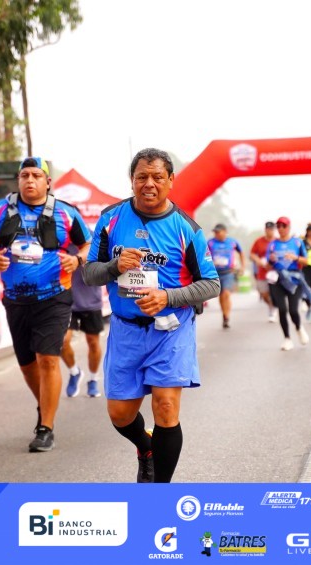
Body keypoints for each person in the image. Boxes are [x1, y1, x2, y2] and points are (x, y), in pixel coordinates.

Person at [83, 148, 220, 483]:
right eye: (141, 176)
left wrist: (167, 297)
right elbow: (90, 274)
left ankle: (158, 493)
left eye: (158, 177)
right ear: (131, 180)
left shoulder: (186, 228)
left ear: (171, 180)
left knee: (166, 407)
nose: (149, 183)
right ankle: (146, 449)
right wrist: (114, 266)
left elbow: (211, 284)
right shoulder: (111, 219)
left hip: (171, 329)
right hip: (126, 330)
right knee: (120, 414)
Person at [0, 156, 91, 453]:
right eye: (25, 175)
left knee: (48, 359)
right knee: (26, 365)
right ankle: (44, 405)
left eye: (36, 175)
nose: (30, 180)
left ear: (47, 182)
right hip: (16, 300)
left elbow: (88, 245)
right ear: (18, 180)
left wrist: (77, 260)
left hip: (54, 297)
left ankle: (45, 427)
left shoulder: (66, 213)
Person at [61, 249, 103, 398]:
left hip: (91, 300)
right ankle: (74, 372)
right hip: (66, 301)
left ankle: (93, 379)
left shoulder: (93, 242)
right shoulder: (62, 239)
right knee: (62, 341)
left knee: (93, 342)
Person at [267, 216, 310, 351]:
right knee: (282, 309)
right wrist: (271, 260)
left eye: (283, 226)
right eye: (278, 226)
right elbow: (267, 264)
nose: (281, 229)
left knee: (293, 310)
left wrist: (295, 258)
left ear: (289, 227)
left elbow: (306, 261)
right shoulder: (273, 244)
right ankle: (287, 338)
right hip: (278, 279)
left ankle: (298, 327)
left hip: (294, 279)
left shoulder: (297, 242)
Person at [207, 223, 245, 329]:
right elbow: (203, 254)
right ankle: (224, 314)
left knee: (226, 294)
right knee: (220, 295)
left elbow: (241, 253)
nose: (216, 234)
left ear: (224, 231)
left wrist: (242, 266)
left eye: (218, 232)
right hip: (215, 273)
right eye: (215, 232)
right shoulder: (210, 242)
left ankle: (227, 316)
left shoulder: (232, 242)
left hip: (228, 272)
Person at [250, 221, 278, 322]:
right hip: (262, 271)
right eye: (268, 229)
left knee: (274, 292)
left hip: (275, 271)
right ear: (265, 229)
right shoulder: (259, 241)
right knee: (264, 293)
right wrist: (258, 261)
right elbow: (252, 253)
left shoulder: (277, 241)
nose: (270, 231)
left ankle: (273, 309)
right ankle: (271, 305)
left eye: (272, 229)